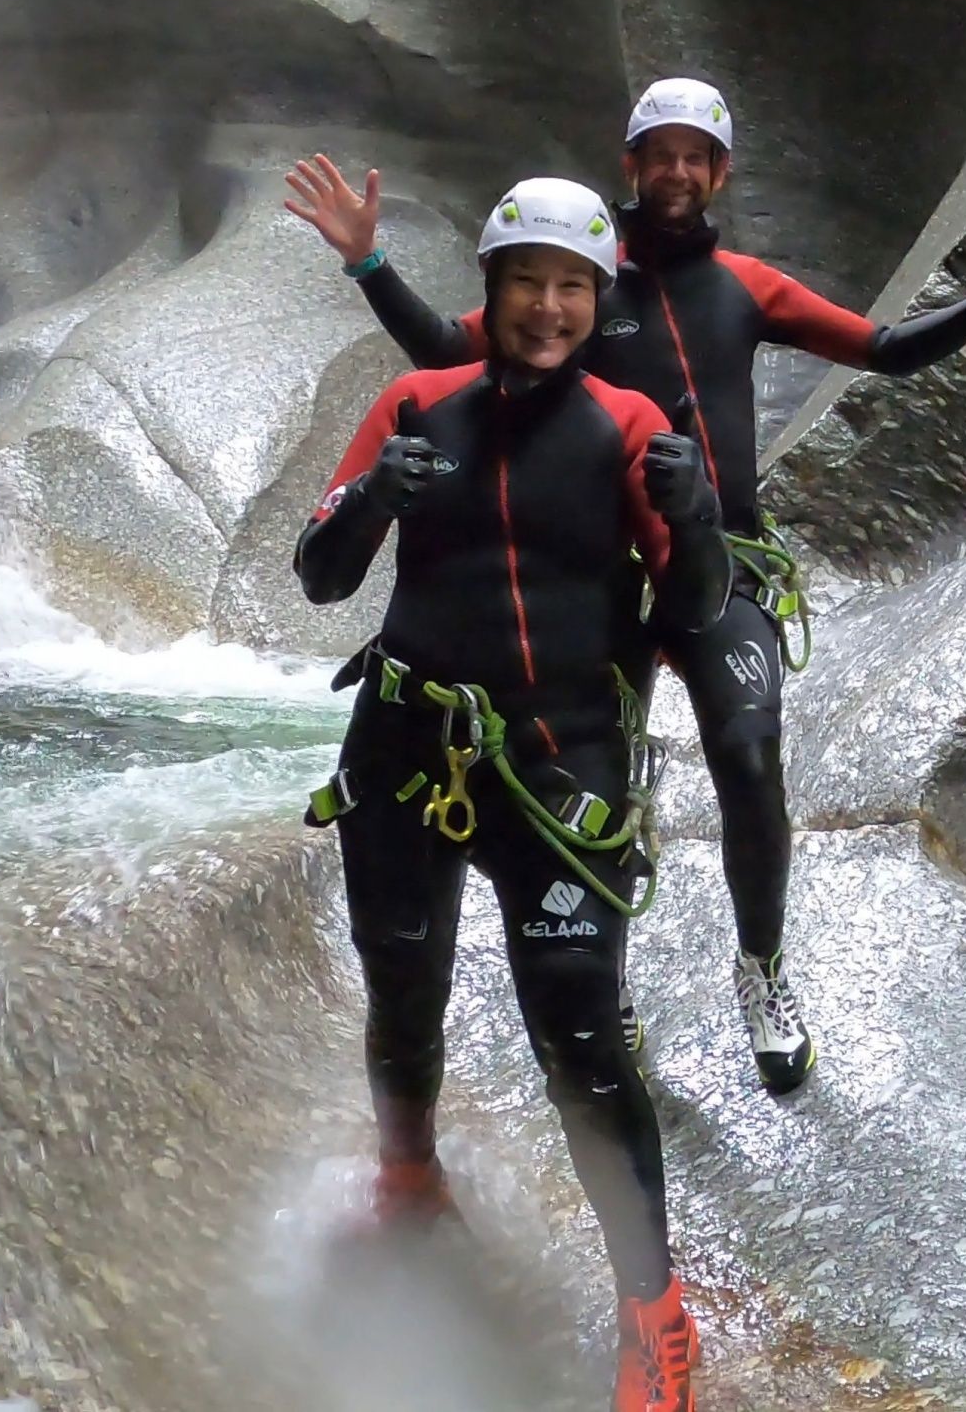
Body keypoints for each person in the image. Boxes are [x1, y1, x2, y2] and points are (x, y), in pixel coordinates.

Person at [286, 78, 966, 1094]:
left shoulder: (743, 285)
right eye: (657, 152)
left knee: (748, 757)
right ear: (629, 164)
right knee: (603, 773)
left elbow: (878, 349)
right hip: (599, 567)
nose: (674, 170)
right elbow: (451, 355)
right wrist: (368, 264)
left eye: (694, 154)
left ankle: (762, 970)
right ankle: (604, 980)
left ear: (719, 172)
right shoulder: (575, 282)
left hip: (719, 555)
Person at [296, 176, 730, 1412]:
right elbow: (321, 575)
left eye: (571, 286)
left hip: (558, 766)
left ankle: (655, 1315)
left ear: (598, 300)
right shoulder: (412, 405)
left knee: (581, 1038)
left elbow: (695, 610)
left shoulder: (628, 427)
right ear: (487, 291)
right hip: (405, 749)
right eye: (526, 281)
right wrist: (374, 495)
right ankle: (407, 1183)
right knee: (402, 988)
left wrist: (694, 519)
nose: (547, 306)